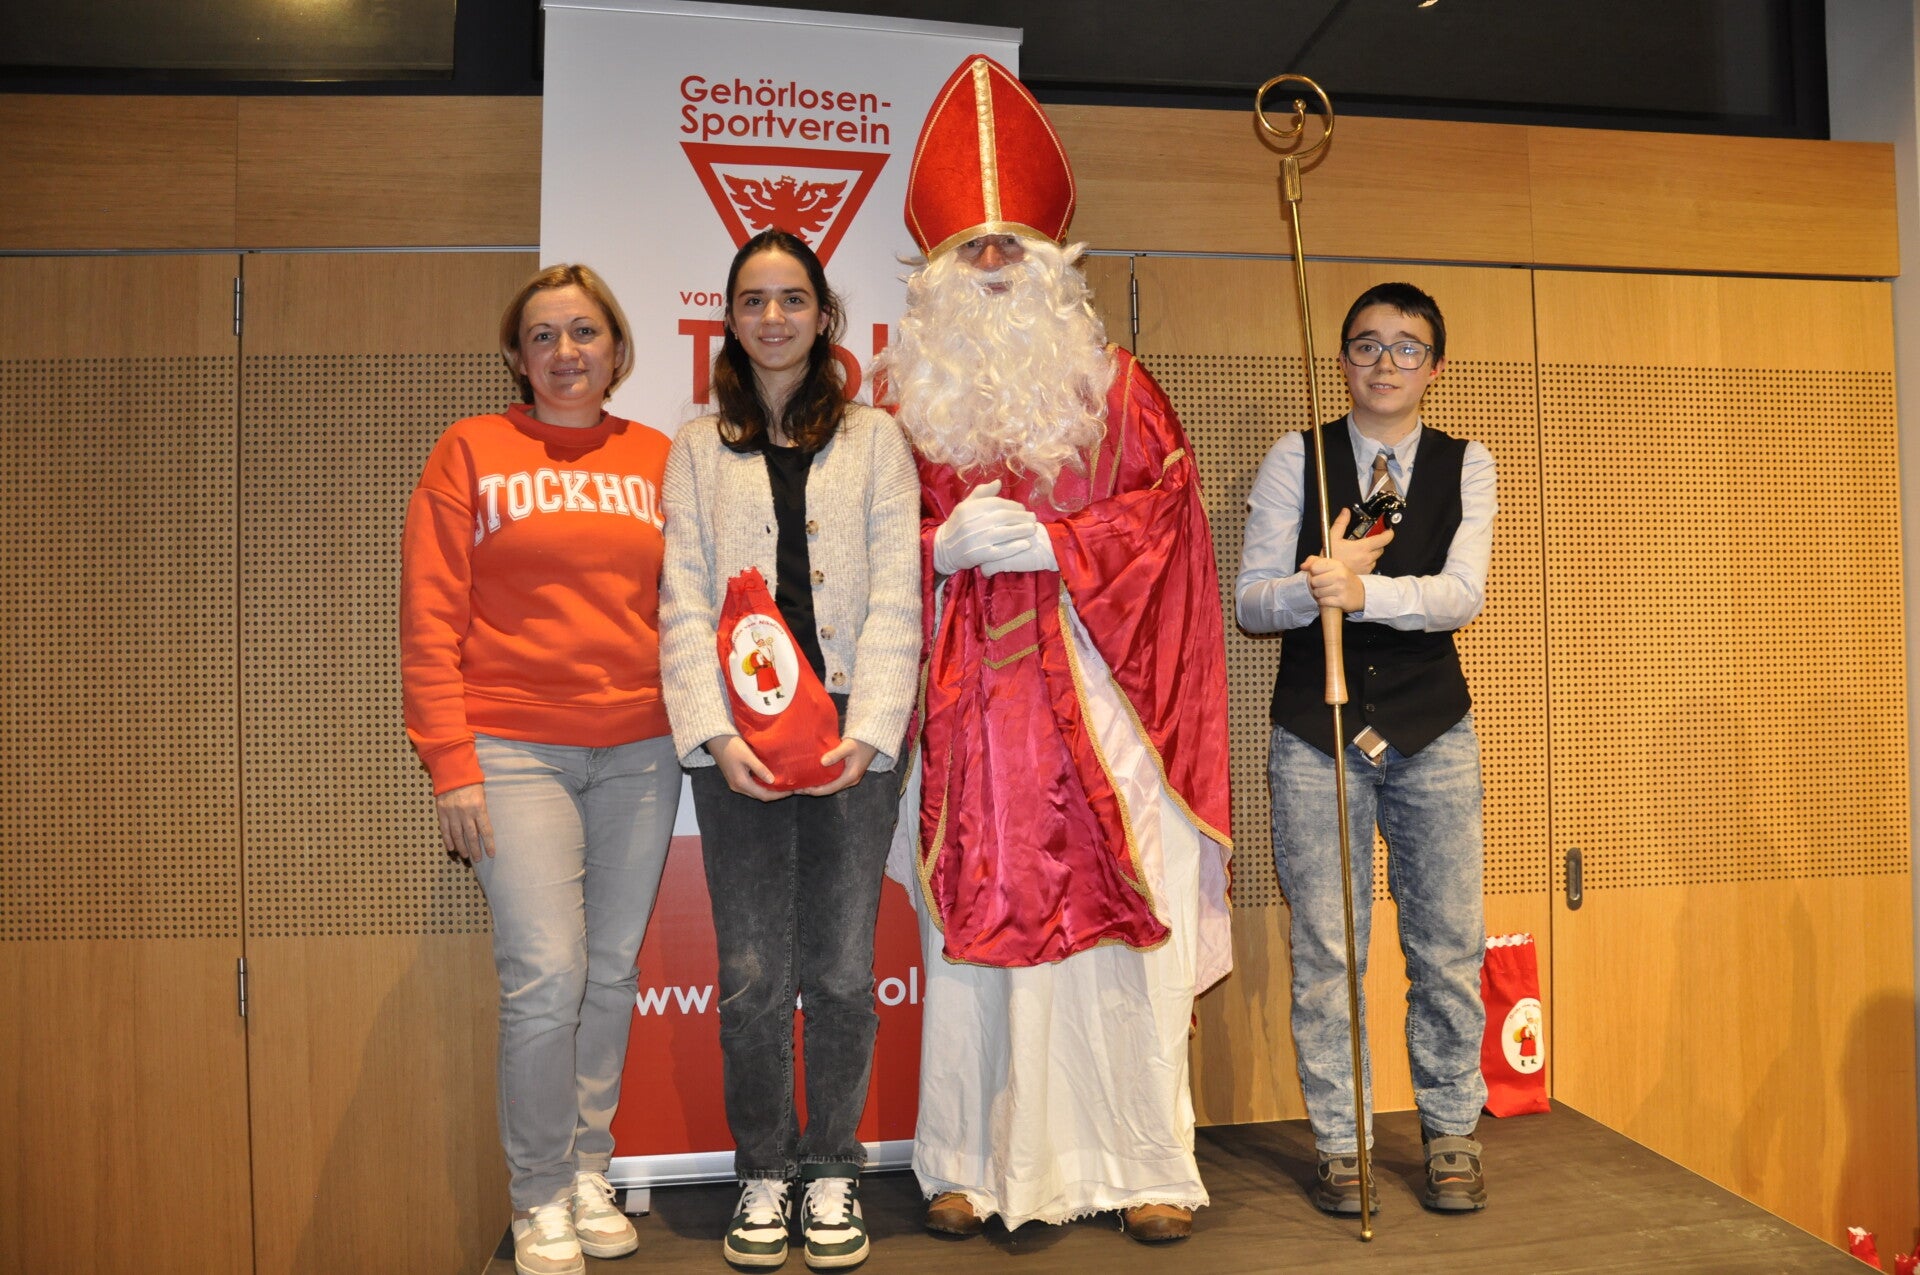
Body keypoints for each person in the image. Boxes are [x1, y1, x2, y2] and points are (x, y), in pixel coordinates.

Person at [876, 55, 1234, 1245]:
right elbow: (856, 553)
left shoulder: (1119, 391)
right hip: (968, 729)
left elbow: (1171, 523)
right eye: (969, 246)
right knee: (975, 949)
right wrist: (934, 551)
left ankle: (1145, 1164)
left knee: (1122, 942)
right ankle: (966, 1162)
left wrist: (1065, 542)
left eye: (1012, 243)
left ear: (1052, 263)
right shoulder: (900, 409)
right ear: (933, 273)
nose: (992, 260)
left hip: (1106, 715)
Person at [401, 264, 679, 1275]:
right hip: (513, 748)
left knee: (609, 970)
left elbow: (690, 604)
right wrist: (451, 763)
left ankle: (588, 1170)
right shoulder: (471, 450)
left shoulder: (659, 457)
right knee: (547, 975)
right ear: (517, 358)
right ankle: (537, 1195)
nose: (566, 352)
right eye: (544, 336)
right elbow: (429, 615)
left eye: (584, 332)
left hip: (643, 749)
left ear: (618, 348)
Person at [659, 229, 921, 1271]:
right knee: (753, 974)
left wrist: (872, 731)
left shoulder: (877, 440)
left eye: (793, 299)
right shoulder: (694, 447)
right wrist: (713, 733)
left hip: (852, 729)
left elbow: (900, 595)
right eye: (753, 301)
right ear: (729, 320)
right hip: (742, 739)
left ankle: (833, 1167)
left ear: (823, 316)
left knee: (845, 972)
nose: (773, 318)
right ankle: (764, 1169)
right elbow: (682, 604)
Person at [1234, 281, 1496, 1215]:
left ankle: (1452, 1129)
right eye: (1366, 344)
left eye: (1406, 347)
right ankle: (1343, 1144)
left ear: (1435, 366)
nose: (1386, 363)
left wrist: (1363, 592)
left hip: (1433, 727)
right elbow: (1250, 600)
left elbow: (1461, 593)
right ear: (1343, 358)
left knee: (1448, 943)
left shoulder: (1468, 464)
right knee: (1328, 950)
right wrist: (1314, 585)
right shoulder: (1295, 458)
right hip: (1319, 731)